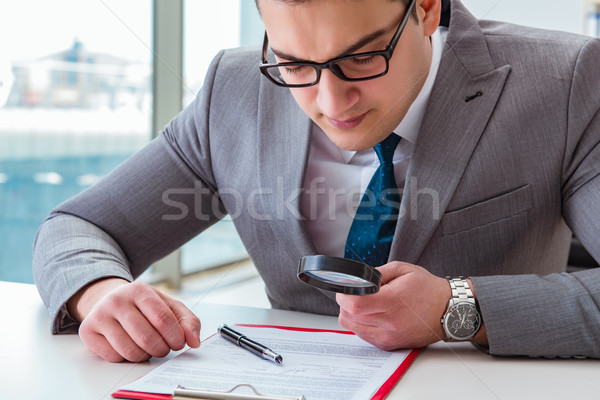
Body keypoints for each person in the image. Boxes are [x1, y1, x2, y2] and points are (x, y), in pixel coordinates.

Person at [33, 0, 600, 363]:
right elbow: (79, 226)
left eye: (362, 58)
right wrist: (100, 294)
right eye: (295, 64)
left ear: (426, 9)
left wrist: (460, 306)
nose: (330, 103)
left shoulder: (564, 82)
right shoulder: (234, 89)